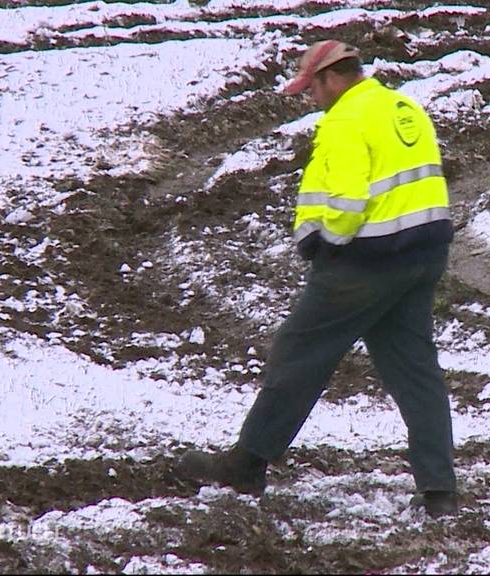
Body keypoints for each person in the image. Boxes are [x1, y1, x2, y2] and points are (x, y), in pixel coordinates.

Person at [176, 40, 459, 518]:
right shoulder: (401, 106)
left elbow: (348, 200)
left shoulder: (345, 119)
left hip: (367, 262)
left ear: (333, 78)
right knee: (415, 372)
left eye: (312, 88)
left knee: (298, 352)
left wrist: (327, 244)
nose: (310, 99)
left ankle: (247, 465)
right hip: (423, 254)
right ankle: (439, 491)